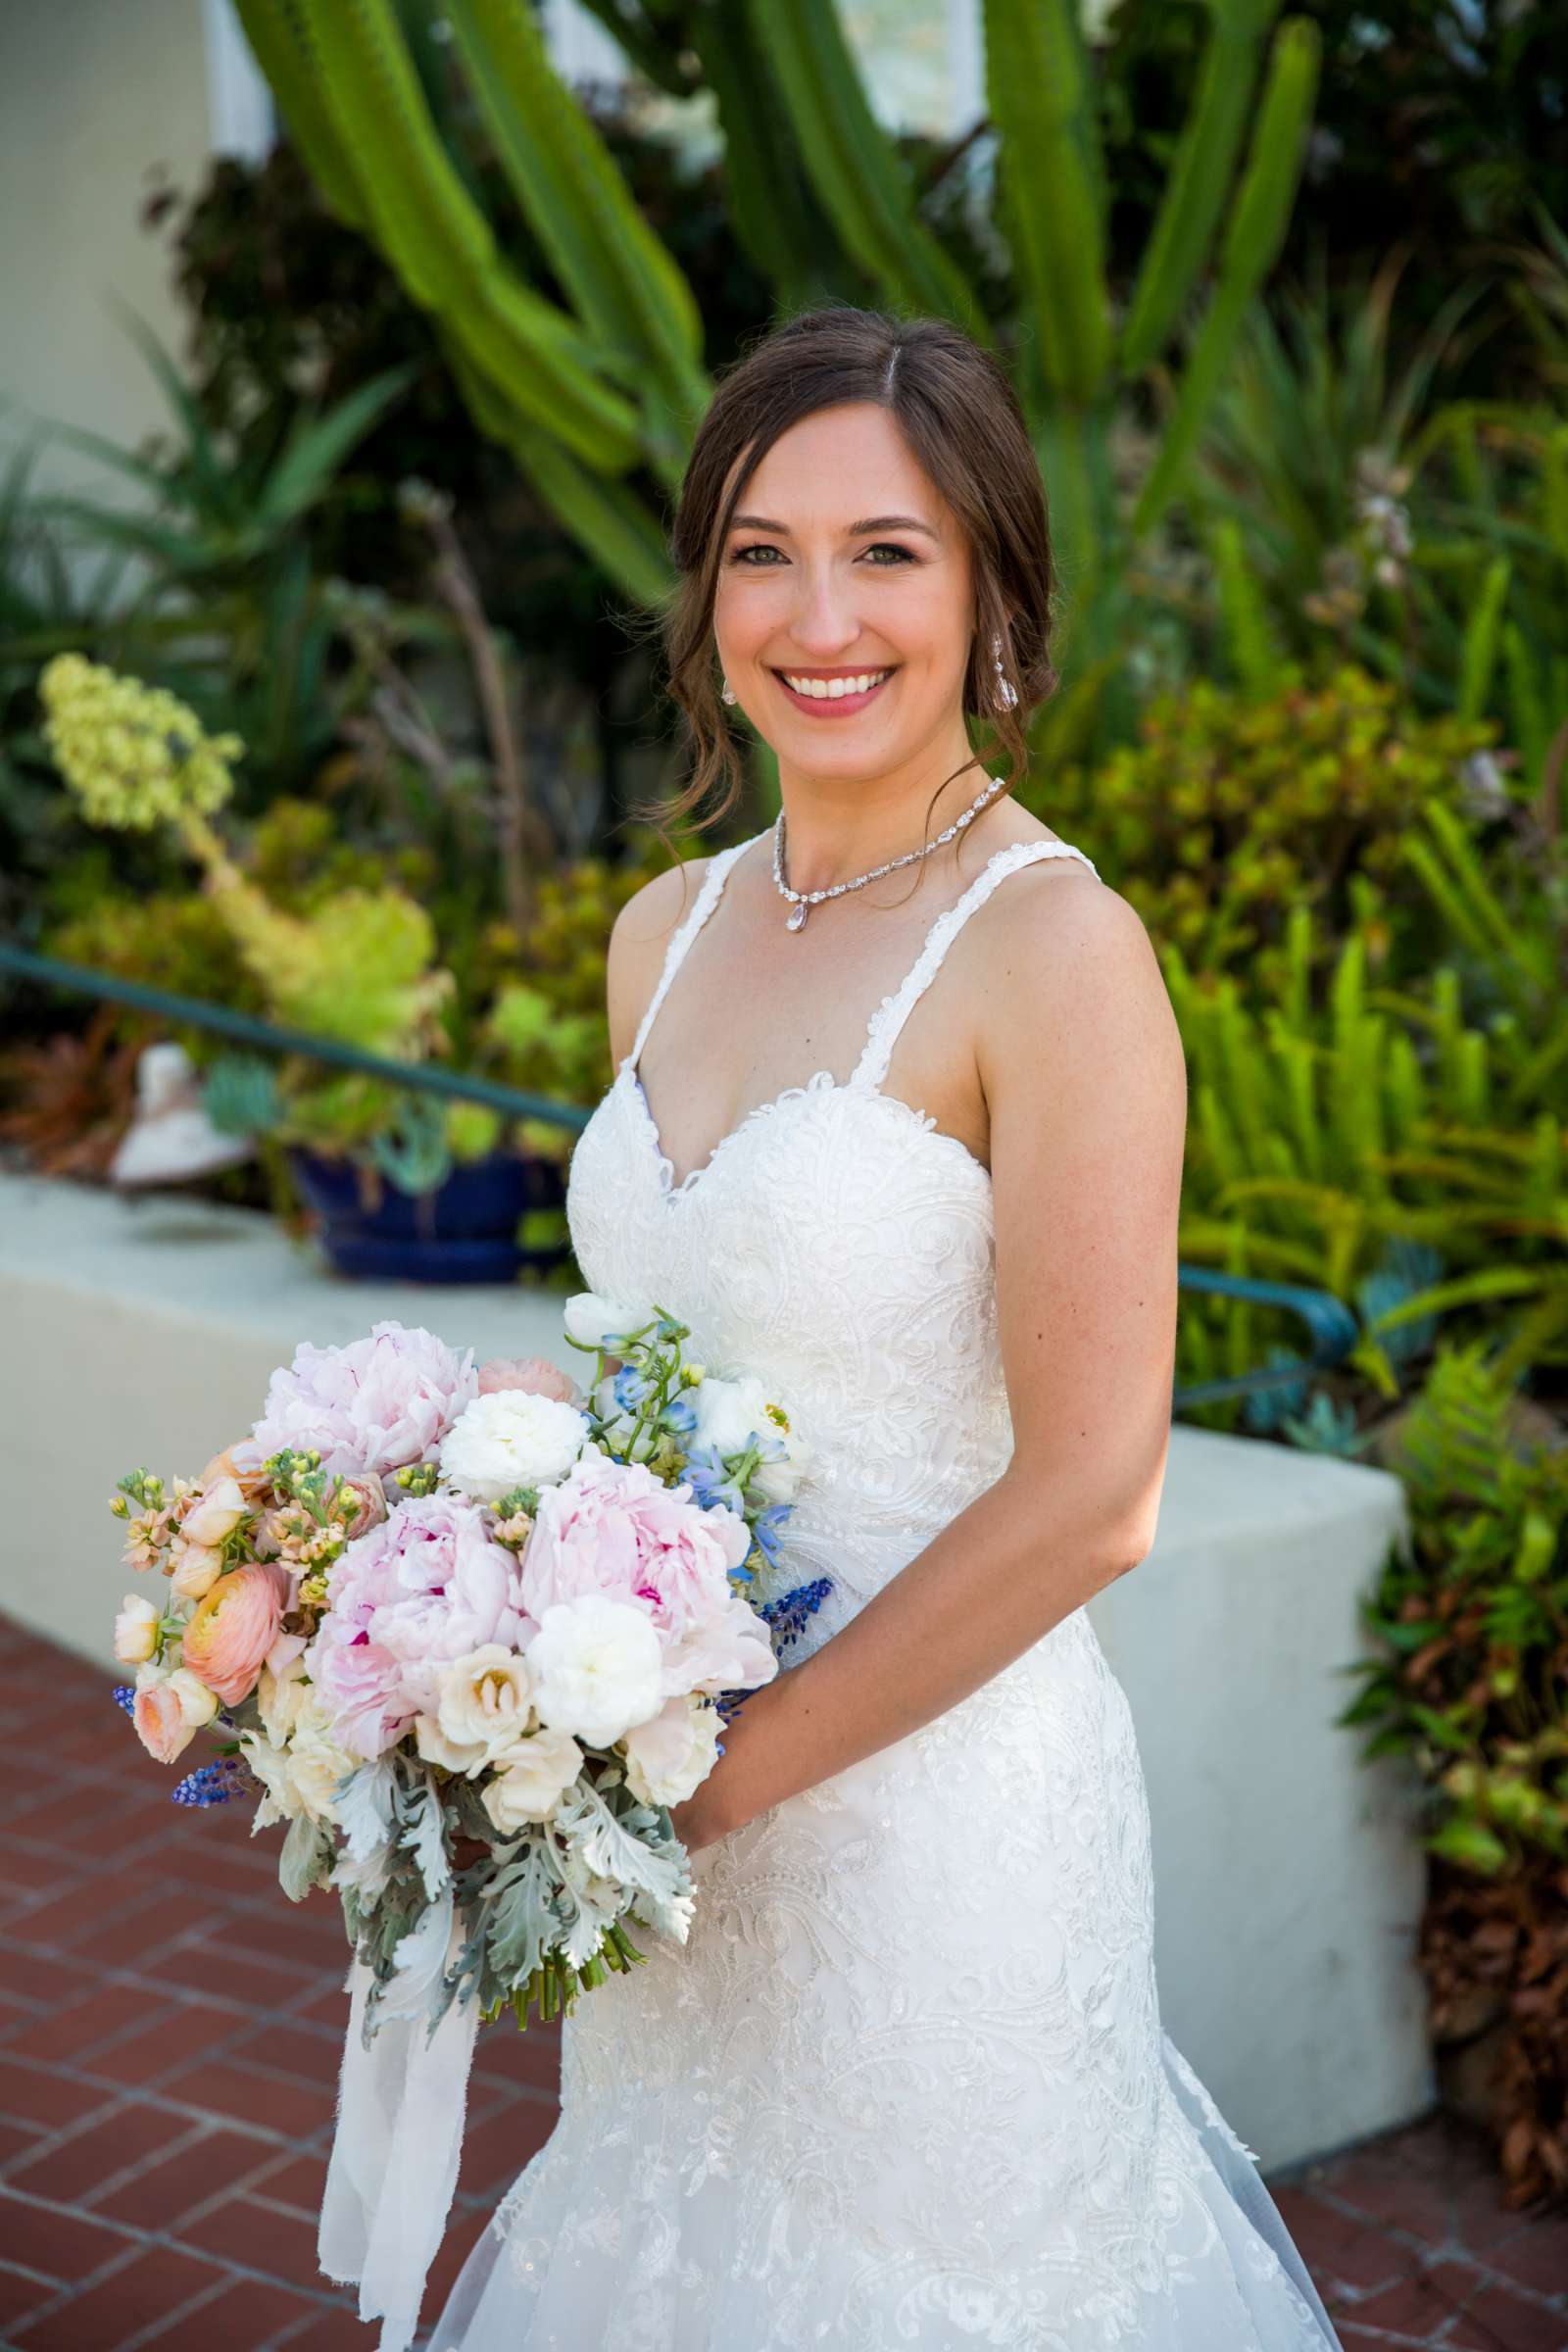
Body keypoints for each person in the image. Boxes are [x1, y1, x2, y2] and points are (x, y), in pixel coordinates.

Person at [429, 306, 1344, 2350]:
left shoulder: (1055, 952)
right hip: (660, 1839)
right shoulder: (658, 934)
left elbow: (1095, 1492)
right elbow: (661, 1387)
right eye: (760, 550)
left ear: (993, 589)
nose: (813, 614)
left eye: (887, 551)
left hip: (926, 1850)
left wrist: (715, 1782)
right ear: (703, 591)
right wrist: (486, 1598)